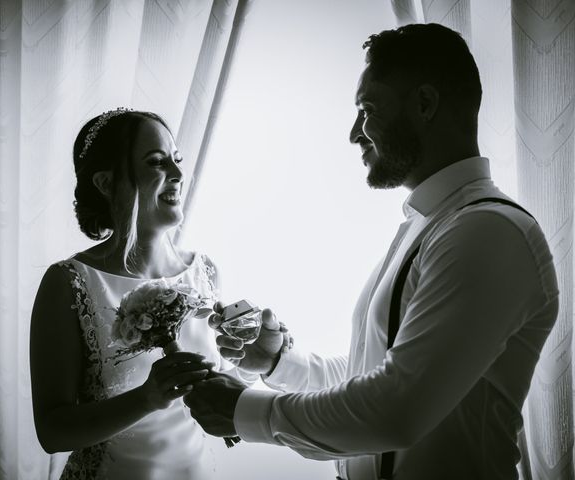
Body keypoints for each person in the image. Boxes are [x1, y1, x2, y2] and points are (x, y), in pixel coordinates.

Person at [183, 23, 560, 480]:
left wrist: (246, 412)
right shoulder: (427, 226)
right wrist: (280, 362)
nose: (353, 134)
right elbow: (374, 374)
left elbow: (396, 409)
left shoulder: (488, 232)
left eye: (367, 109)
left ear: (425, 103)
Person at [30, 108, 254, 480]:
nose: (179, 175)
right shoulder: (68, 282)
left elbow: (221, 380)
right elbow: (52, 432)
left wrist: (252, 357)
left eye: (177, 160)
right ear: (106, 182)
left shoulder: (205, 271)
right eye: (157, 162)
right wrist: (146, 398)